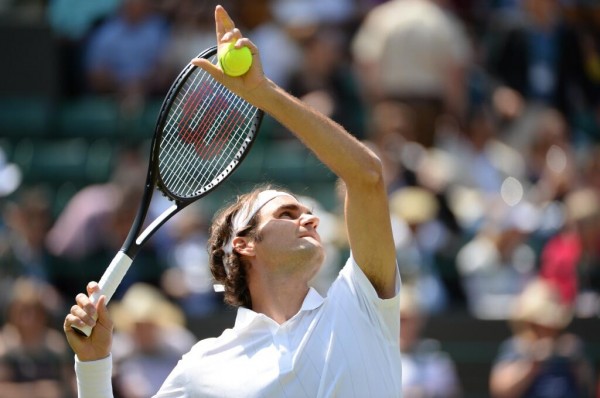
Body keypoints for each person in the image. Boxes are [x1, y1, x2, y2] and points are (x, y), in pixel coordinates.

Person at [63, 5, 401, 398]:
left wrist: (264, 94)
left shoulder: (362, 304)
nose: (309, 220)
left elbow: (367, 177)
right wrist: (92, 365)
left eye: (307, 213)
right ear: (244, 243)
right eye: (287, 213)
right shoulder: (202, 368)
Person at [489, 278, 595, 397]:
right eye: (540, 323)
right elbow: (500, 391)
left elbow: (589, 387)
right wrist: (532, 364)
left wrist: (576, 361)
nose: (547, 327)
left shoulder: (570, 347)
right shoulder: (515, 347)